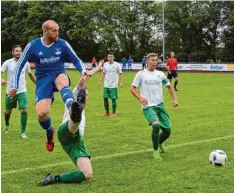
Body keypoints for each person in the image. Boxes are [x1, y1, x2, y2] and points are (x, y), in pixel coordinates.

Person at [9, 20, 90, 152]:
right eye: (54, 30)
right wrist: (14, 86)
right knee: (42, 114)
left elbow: (75, 59)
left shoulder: (62, 44)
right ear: (45, 31)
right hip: (42, 80)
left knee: (62, 81)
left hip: (58, 73)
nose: (57, 33)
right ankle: (49, 132)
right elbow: (19, 66)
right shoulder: (33, 45)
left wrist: (82, 70)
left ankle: (72, 109)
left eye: (58, 30)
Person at [40, 61, 103, 186]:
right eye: (82, 93)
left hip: (75, 142)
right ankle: (75, 115)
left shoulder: (83, 110)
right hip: (66, 131)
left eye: (85, 94)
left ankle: (52, 178)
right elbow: (82, 81)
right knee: (75, 119)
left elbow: (87, 77)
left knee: (87, 174)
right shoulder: (73, 96)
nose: (85, 94)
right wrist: (83, 78)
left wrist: (97, 68)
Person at [130, 53, 178, 161]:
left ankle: (160, 143)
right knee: (156, 126)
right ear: (147, 61)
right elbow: (132, 88)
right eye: (152, 60)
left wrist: (175, 99)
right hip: (148, 106)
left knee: (167, 131)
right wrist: (140, 98)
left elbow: (169, 87)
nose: (154, 62)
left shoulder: (160, 74)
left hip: (160, 106)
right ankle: (155, 150)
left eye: (156, 60)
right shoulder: (141, 74)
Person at [1, 45, 36, 138]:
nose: (18, 53)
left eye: (20, 51)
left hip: (22, 91)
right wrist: (1, 80)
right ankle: (7, 124)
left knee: (24, 110)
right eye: (16, 51)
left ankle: (23, 132)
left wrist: (37, 84)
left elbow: (30, 75)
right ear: (13, 52)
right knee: (7, 112)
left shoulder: (26, 63)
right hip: (10, 91)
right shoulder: (8, 63)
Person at [98, 52, 123, 117]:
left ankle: (114, 113)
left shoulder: (117, 65)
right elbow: (103, 73)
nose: (110, 58)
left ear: (113, 57)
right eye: (109, 57)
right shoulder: (105, 64)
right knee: (105, 98)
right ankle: (107, 112)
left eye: (111, 57)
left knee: (113, 99)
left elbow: (120, 73)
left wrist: (121, 82)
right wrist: (100, 81)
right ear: (107, 58)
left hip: (113, 85)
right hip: (106, 85)